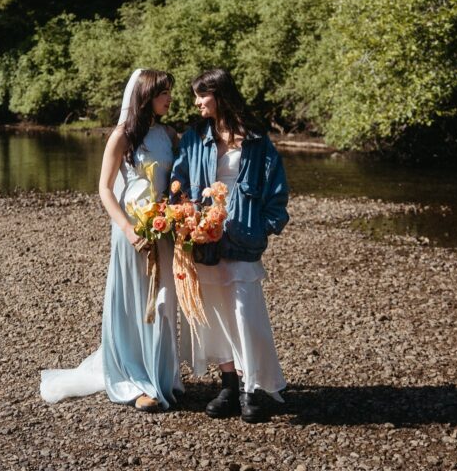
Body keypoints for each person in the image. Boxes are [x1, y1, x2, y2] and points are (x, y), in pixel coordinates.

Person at [40, 68, 182, 412]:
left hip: (163, 229)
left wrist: (180, 216)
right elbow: (104, 189)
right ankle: (133, 380)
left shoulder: (169, 135)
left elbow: (177, 181)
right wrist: (128, 229)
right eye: (164, 93)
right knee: (132, 302)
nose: (169, 99)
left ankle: (160, 375)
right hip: (131, 230)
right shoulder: (121, 136)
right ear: (146, 96)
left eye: (170, 93)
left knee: (162, 304)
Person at [170, 68, 289, 422]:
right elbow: (179, 182)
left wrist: (263, 228)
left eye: (201, 96)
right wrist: (188, 219)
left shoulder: (257, 141)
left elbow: (277, 194)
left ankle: (253, 388)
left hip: (243, 242)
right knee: (217, 317)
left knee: (246, 316)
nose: (196, 103)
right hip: (205, 241)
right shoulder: (194, 138)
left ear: (219, 95)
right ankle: (228, 385)